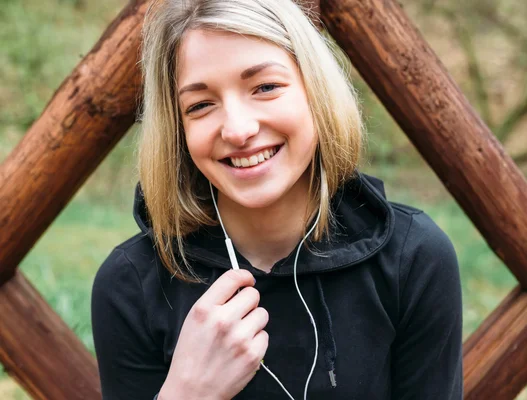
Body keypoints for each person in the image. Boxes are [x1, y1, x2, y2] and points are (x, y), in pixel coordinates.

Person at [91, 0, 463, 399]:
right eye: (200, 105)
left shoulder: (413, 258)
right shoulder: (128, 285)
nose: (237, 129)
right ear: (177, 129)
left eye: (265, 87)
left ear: (315, 91)